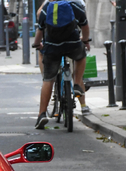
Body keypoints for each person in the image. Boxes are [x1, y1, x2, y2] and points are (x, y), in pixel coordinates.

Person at [33, 0, 90, 129]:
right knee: (81, 56)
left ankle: (42, 114)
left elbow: (40, 31)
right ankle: (76, 84)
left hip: (52, 48)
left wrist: (37, 44)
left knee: (48, 80)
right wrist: (85, 41)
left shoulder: (47, 8)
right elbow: (85, 27)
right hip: (72, 45)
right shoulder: (75, 5)